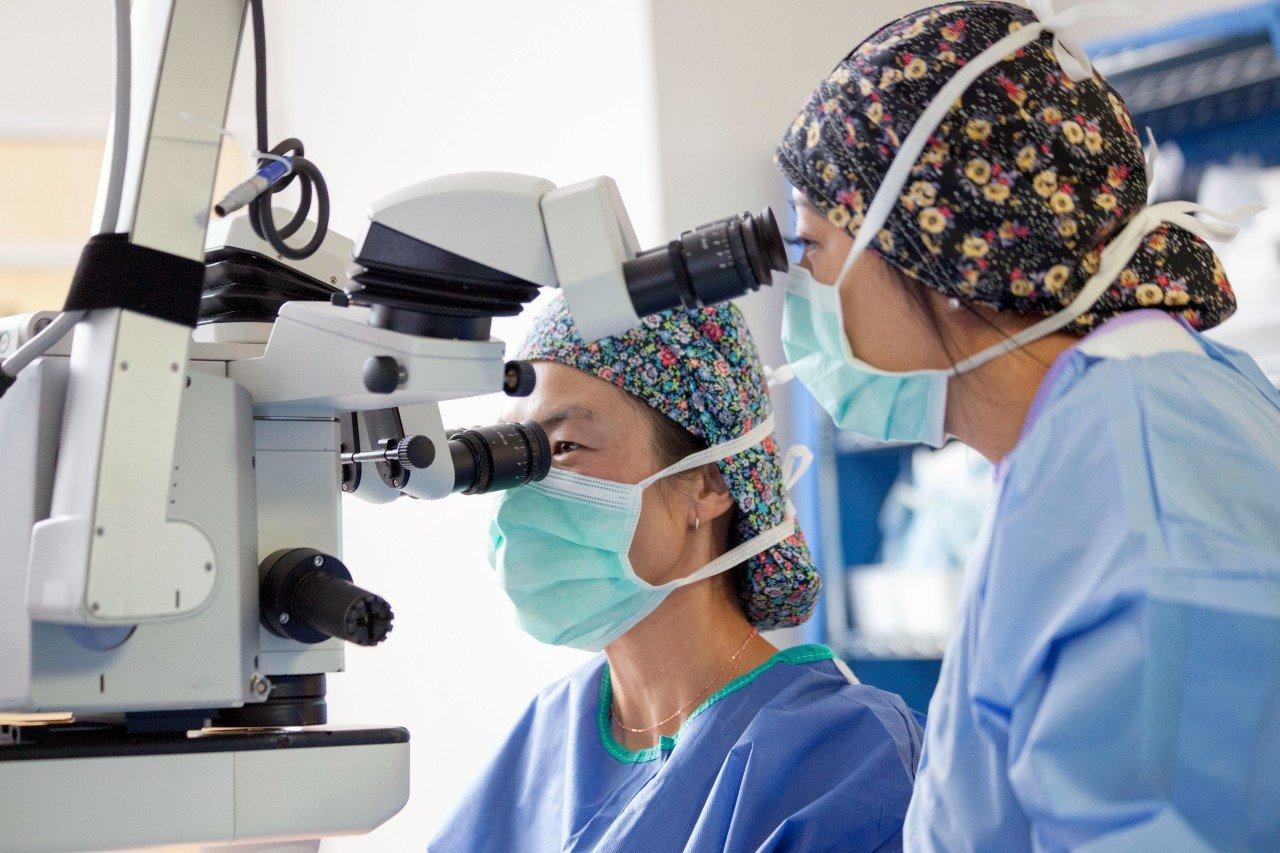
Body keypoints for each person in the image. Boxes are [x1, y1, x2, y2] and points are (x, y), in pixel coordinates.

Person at [773, 2, 1280, 849]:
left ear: (943, 253)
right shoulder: (1095, 435)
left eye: (812, 250)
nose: (804, 296)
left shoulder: (1140, 495)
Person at [430, 295, 923, 851]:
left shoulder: (841, 756)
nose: (526, 491)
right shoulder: (549, 733)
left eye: (566, 447)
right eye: (518, 454)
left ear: (710, 481)